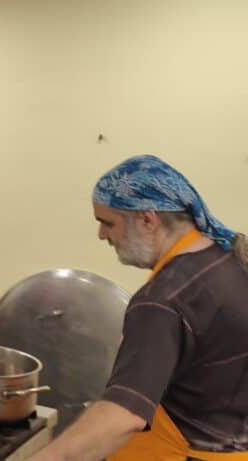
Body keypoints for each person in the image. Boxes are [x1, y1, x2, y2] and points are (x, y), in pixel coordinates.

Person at [30, 155, 248, 461]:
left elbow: (124, 416)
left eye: (107, 222)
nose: (102, 235)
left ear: (147, 219)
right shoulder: (228, 258)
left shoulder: (164, 300)